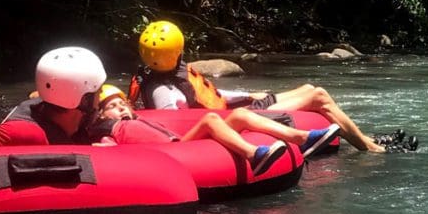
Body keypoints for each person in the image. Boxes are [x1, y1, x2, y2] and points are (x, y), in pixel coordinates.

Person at [129, 20, 400, 153]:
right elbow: (178, 123)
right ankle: (369, 146)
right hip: (233, 120)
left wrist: (248, 94)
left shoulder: (162, 76)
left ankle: (366, 139)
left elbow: (211, 95)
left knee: (309, 87)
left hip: (233, 108)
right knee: (318, 96)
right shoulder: (164, 91)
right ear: (177, 49)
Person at [89, 85, 341, 175]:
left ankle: (302, 139)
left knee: (241, 114)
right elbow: (106, 149)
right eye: (113, 106)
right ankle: (254, 155)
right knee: (210, 119)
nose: (121, 108)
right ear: (101, 114)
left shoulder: (139, 118)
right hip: (173, 154)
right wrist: (109, 149)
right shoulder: (110, 131)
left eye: (123, 103)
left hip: (181, 143)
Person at [0, 46, 107, 147]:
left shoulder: (76, 121)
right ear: (84, 100)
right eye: (98, 91)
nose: (100, 99)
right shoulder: (28, 133)